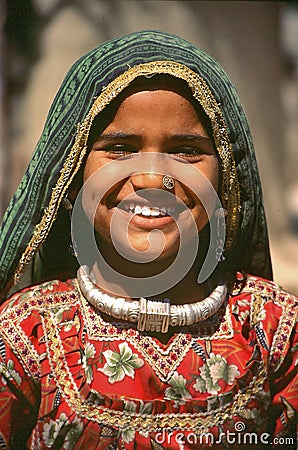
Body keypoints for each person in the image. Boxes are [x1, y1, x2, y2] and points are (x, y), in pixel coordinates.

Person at [0, 30, 296, 450]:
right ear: (70, 178)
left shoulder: (276, 332)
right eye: (120, 149)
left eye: (185, 150)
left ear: (226, 179)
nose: (153, 179)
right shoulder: (23, 337)